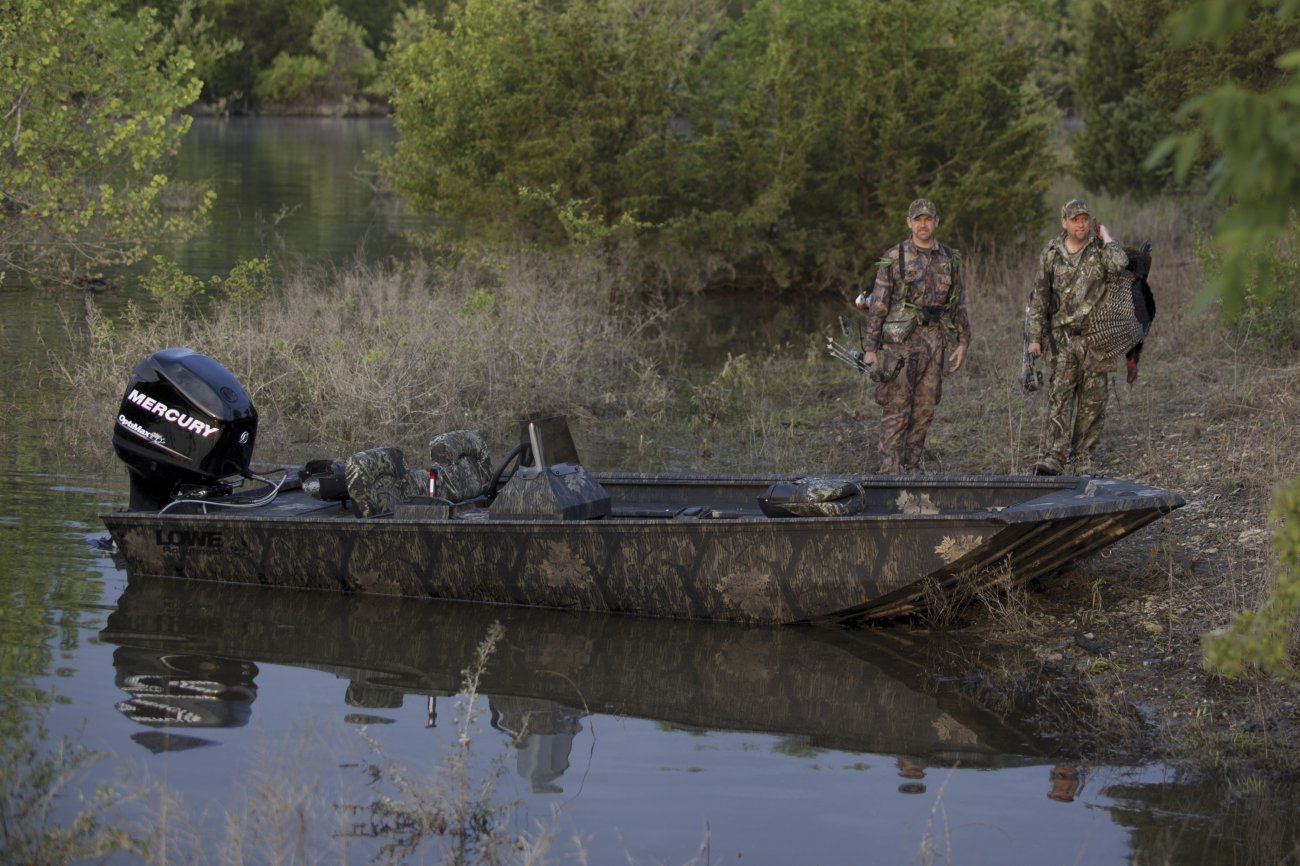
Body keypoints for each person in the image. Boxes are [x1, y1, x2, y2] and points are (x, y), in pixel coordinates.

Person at [862, 199, 970, 474]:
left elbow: (958, 304)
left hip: (935, 343)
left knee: (925, 409)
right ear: (909, 222)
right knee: (897, 407)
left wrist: (963, 341)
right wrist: (871, 348)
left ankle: (912, 469)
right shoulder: (894, 257)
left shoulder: (948, 258)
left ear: (937, 221)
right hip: (900, 344)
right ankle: (889, 473)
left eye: (928, 219)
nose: (923, 224)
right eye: (917, 219)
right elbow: (878, 305)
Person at [1026, 199, 1129, 476]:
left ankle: (1084, 458)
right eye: (1075, 219)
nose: (1080, 224)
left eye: (1084, 219)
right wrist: (1034, 338)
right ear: (1064, 222)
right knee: (1059, 398)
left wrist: (1107, 237)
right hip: (1062, 340)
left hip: (1096, 339)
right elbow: (1040, 299)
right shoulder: (1051, 253)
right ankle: (1053, 457)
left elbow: (1121, 264)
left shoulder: (1100, 250)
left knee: (1093, 401)